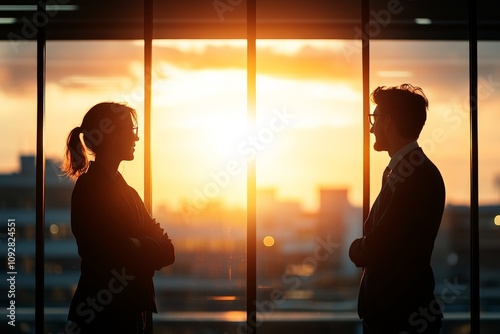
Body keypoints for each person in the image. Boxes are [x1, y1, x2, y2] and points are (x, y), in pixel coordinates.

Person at [62, 102, 175, 334]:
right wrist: (144, 247)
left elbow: (168, 251)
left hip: (127, 313)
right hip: (104, 317)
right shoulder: (90, 189)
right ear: (112, 136)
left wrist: (137, 245)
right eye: (132, 131)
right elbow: (118, 252)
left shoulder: (129, 193)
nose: (136, 139)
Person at [349, 84, 445, 334]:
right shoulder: (407, 171)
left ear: (388, 121)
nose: (371, 128)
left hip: (399, 317)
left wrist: (355, 248)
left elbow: (381, 244)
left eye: (374, 119)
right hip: (398, 315)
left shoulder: (415, 176)